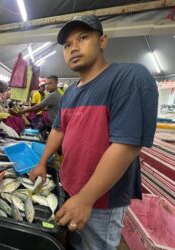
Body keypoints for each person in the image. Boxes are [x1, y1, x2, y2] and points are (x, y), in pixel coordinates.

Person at [29, 15, 158, 249]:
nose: (73, 48)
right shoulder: (69, 92)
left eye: (83, 37)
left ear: (102, 41)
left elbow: (127, 145)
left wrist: (86, 198)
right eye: (67, 45)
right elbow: (58, 130)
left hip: (101, 199)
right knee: (75, 242)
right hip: (70, 186)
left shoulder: (128, 77)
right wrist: (42, 162)